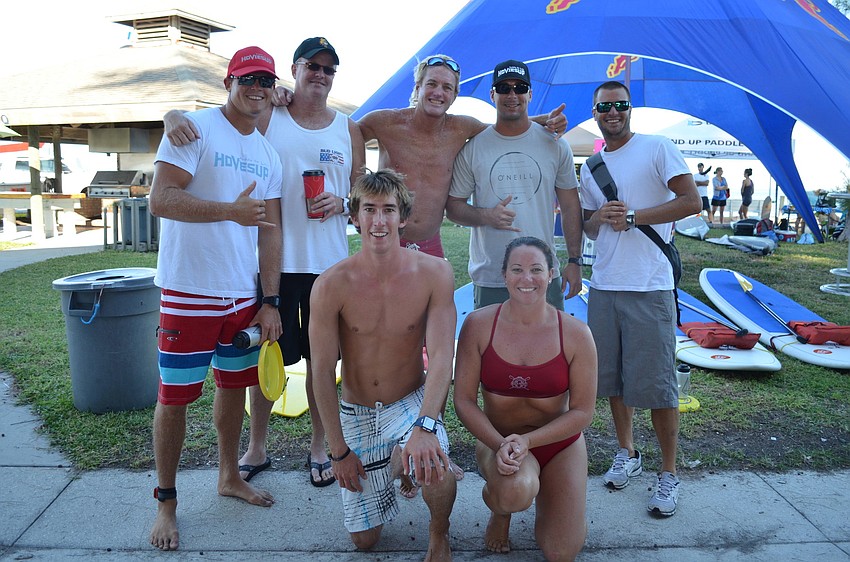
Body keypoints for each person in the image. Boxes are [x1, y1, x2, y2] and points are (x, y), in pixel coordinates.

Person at [164, 37, 366, 488]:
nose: (320, 74)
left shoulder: (347, 129)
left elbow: (362, 194)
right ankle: (257, 446)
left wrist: (343, 203)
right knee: (262, 358)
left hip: (328, 265)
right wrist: (172, 114)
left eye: (329, 69)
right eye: (312, 66)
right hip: (268, 263)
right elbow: (223, 119)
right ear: (294, 71)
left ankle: (319, 446)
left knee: (321, 360)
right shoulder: (271, 112)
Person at [148, 46, 284, 551]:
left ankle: (229, 475)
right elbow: (160, 199)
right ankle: (166, 503)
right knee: (175, 398)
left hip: (241, 295)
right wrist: (229, 211)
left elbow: (270, 232)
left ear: (274, 89)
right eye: (248, 78)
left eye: (265, 80)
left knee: (234, 388)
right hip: (188, 291)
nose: (257, 87)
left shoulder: (268, 153)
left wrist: (269, 299)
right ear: (228, 81)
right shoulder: (193, 128)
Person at [309, 169, 457, 560]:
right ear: (353, 217)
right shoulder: (330, 284)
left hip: (409, 402)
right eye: (369, 210)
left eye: (389, 210)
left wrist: (426, 425)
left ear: (403, 218)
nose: (379, 221)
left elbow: (442, 356)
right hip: (356, 410)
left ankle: (439, 533)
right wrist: (338, 451)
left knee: (434, 465)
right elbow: (321, 371)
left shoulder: (434, 273)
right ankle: (395, 460)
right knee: (365, 541)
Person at [579, 81, 701, 517]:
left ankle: (668, 474)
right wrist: (599, 218)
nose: (611, 112)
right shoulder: (592, 166)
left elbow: (692, 201)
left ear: (629, 109)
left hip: (650, 284)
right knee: (613, 381)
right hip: (606, 283)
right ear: (593, 111)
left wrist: (635, 216)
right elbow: (590, 226)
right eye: (603, 106)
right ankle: (627, 453)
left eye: (619, 105)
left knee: (659, 385)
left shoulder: (657, 147)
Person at [453, 236, 597, 559]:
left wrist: (529, 443)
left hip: (560, 444)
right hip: (498, 440)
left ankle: (557, 500)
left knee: (561, 551)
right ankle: (501, 510)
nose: (526, 279)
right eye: (517, 269)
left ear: (551, 274)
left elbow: (583, 412)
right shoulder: (478, 326)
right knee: (514, 492)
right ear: (504, 275)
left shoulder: (576, 334)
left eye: (536, 270)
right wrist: (499, 443)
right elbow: (463, 401)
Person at [445, 59, 584, 311]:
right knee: (492, 349)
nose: (512, 95)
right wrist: (486, 216)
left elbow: (571, 206)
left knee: (549, 349)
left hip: (543, 273)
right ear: (492, 95)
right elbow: (453, 207)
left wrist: (575, 260)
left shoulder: (555, 144)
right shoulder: (474, 147)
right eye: (504, 88)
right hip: (492, 276)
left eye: (520, 88)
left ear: (530, 94)